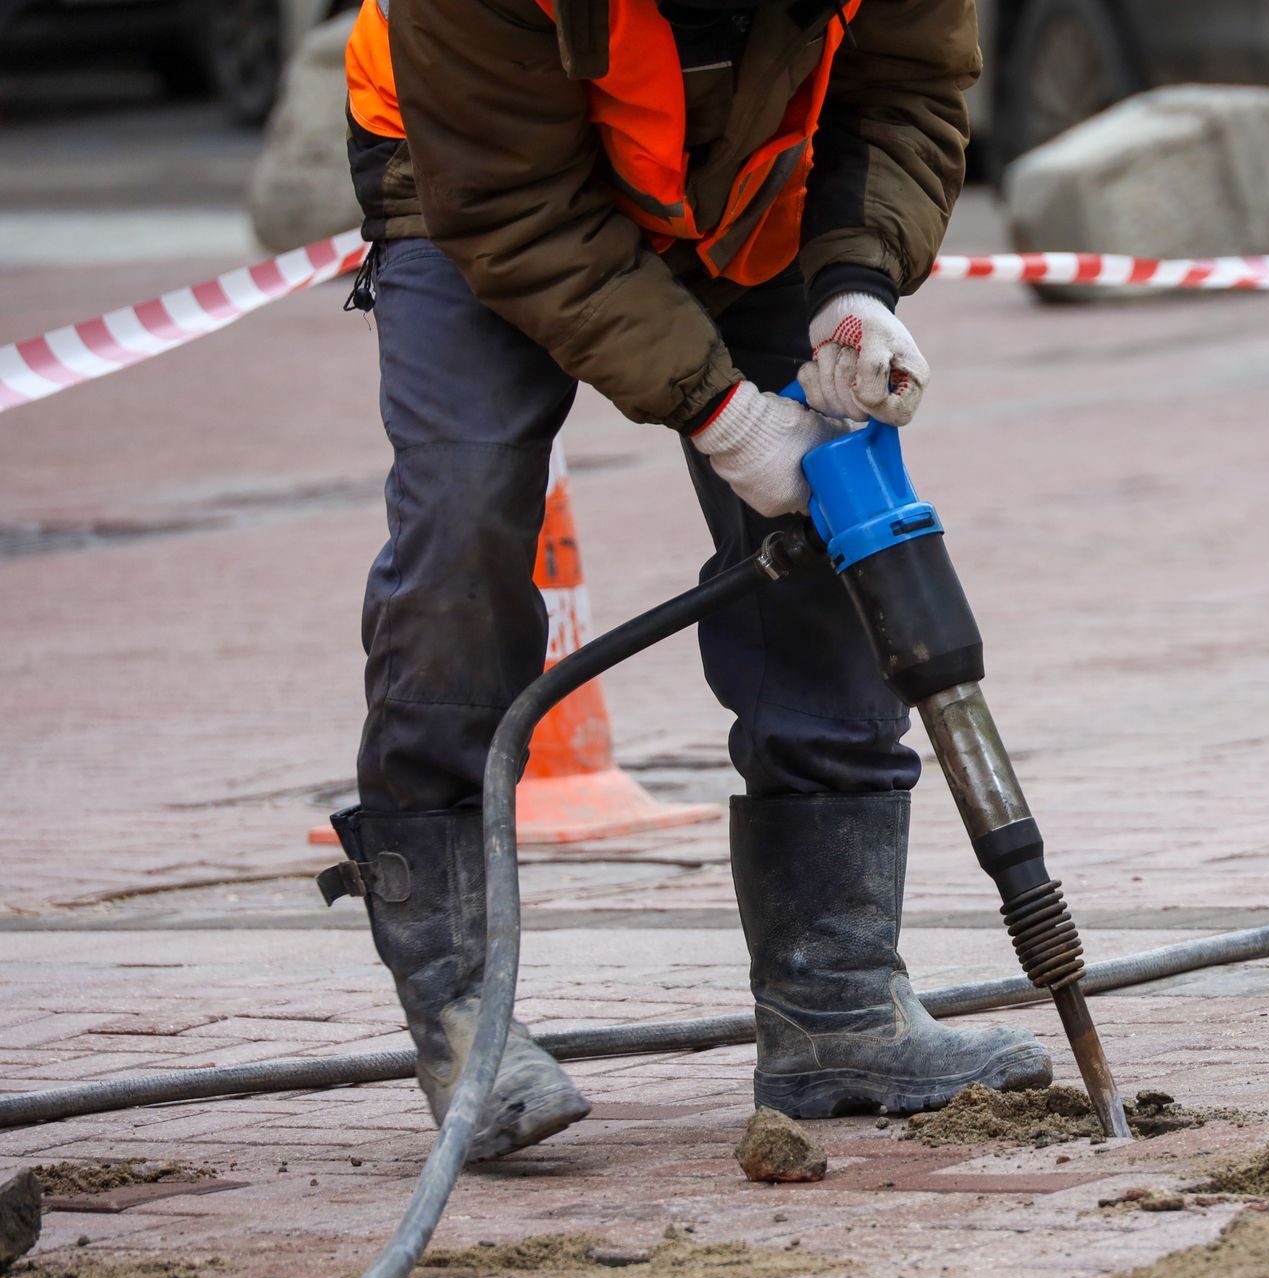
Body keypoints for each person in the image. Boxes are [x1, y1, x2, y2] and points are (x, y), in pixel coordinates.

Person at [316, 0, 1050, 1159]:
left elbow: (904, 87)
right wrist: (720, 412)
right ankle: (464, 1015)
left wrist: (856, 283)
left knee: (826, 525)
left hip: (744, 180)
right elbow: (515, 211)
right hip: (477, 174)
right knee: (461, 528)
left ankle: (837, 1006)